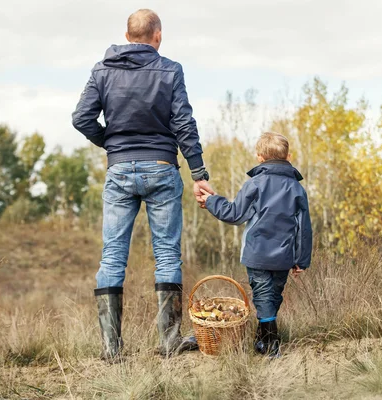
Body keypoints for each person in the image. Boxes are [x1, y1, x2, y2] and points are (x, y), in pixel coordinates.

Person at [71, 9, 213, 360]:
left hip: (119, 171)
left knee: (112, 256)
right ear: (157, 36)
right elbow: (183, 123)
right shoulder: (169, 70)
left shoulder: (102, 69)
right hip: (162, 168)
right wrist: (198, 173)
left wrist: (112, 144)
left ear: (127, 33)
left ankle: (111, 349)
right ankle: (169, 341)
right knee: (166, 255)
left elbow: (81, 118)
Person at [199, 132, 312, 357]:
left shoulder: (255, 184)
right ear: (288, 156)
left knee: (266, 297)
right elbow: (304, 228)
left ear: (260, 158)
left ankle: (270, 345)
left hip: (257, 254)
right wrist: (301, 259)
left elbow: (234, 214)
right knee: (270, 297)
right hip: (283, 257)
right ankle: (264, 341)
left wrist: (211, 201)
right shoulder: (297, 189)